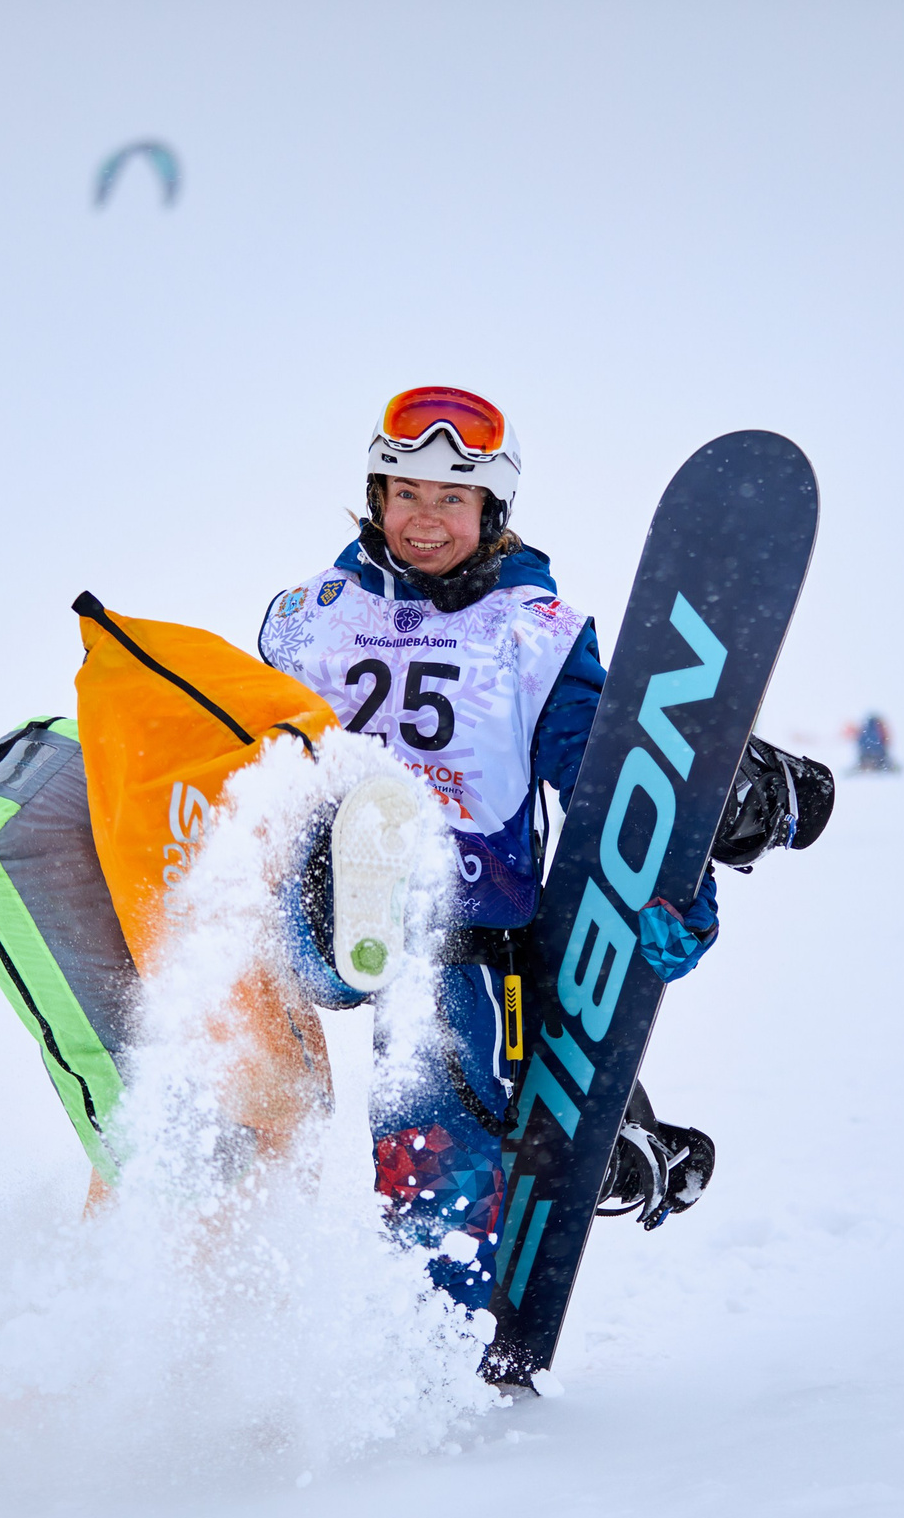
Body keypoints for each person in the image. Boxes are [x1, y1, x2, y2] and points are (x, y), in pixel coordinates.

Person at [258, 386, 830, 1308]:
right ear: (375, 495)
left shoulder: (532, 633)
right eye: (407, 492)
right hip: (325, 902)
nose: (427, 519)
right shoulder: (306, 618)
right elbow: (242, 745)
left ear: (491, 511)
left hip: (459, 918)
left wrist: (674, 891)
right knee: (270, 1014)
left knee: (442, 1115)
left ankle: (442, 1325)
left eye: (454, 498)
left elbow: (602, 778)